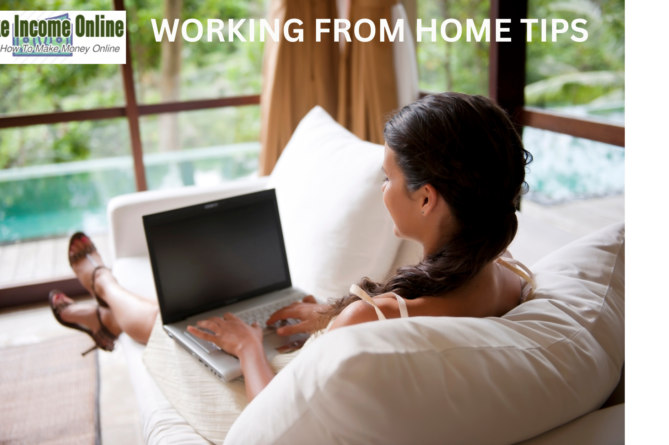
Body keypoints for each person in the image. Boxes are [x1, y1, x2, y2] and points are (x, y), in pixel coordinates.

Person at [50, 92, 535, 402]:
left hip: (268, 398)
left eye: (388, 178)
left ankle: (104, 286)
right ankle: (104, 312)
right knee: (207, 315)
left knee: (178, 325)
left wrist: (246, 349)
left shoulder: (372, 317)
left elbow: (281, 425)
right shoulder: (509, 277)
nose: (381, 189)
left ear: (427, 198)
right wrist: (328, 315)